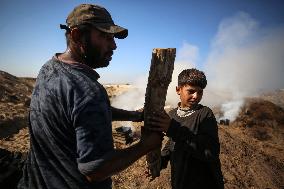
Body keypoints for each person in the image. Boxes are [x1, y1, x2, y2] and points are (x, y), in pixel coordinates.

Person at [18, 4, 163, 189]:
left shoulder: (49, 68)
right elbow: (96, 170)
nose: (114, 45)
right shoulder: (88, 90)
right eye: (105, 37)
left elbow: (81, 112)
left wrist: (133, 115)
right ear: (77, 36)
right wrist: (145, 146)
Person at [148, 69, 224, 189]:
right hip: (180, 180)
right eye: (191, 91)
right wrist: (160, 161)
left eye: (200, 92)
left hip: (204, 182)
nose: (196, 96)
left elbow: (211, 151)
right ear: (178, 90)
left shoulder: (205, 114)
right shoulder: (172, 115)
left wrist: (173, 129)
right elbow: (172, 141)